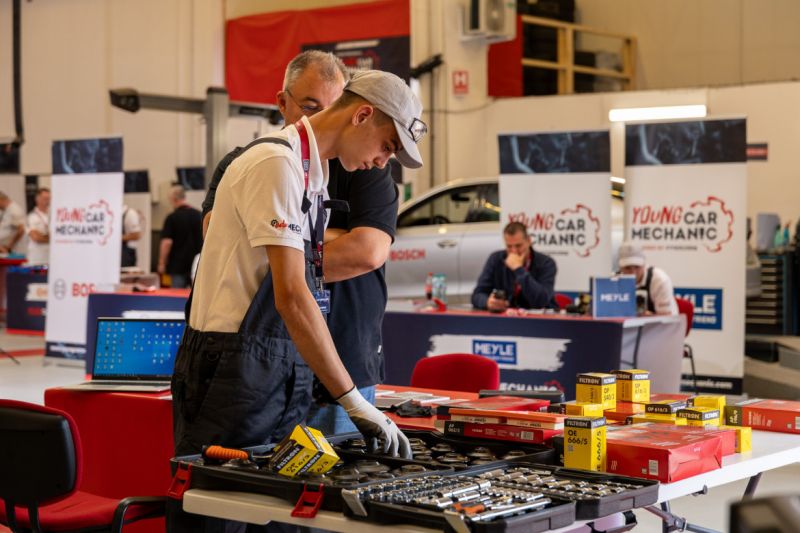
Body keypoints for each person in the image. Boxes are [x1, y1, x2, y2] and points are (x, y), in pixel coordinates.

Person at [203, 51, 400, 437]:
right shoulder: (273, 162)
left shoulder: (326, 170)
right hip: (252, 360)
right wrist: (354, 400)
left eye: (334, 105)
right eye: (313, 107)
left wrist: (283, 245)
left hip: (327, 356)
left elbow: (368, 251)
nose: (326, 117)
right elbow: (288, 288)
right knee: (239, 493)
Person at [472, 221, 557, 311]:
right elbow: (477, 295)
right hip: (507, 319)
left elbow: (541, 301)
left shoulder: (546, 263)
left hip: (539, 319)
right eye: (509, 246)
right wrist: (488, 302)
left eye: (518, 246)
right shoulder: (496, 259)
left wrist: (518, 269)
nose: (514, 251)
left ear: (529, 241)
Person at [158, 185, 202, 288]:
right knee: (194, 298)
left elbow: (167, 243)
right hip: (197, 266)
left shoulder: (172, 218)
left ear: (173, 199)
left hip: (177, 267)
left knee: (175, 298)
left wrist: (161, 263)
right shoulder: (199, 215)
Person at [617, 241, 678, 315]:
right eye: (627, 268)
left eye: (637, 267)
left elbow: (667, 318)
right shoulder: (616, 280)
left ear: (644, 264)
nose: (633, 272)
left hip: (660, 325)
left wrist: (647, 317)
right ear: (620, 267)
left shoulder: (659, 281)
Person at [26, 188, 51, 265]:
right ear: (37, 199)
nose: (47, 201)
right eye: (45, 198)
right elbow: (36, 237)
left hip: (50, 257)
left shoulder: (52, 214)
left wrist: (43, 236)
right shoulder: (31, 216)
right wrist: (51, 238)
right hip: (37, 258)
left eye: (49, 199)